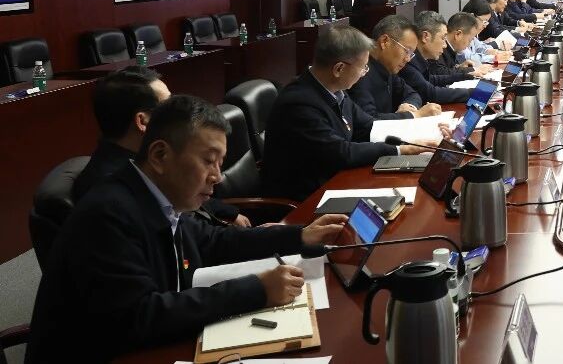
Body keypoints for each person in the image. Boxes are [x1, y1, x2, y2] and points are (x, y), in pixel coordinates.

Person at [27, 95, 349, 363]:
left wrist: (299, 235)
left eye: (220, 163)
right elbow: (141, 316)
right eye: (209, 160)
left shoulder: (158, 198)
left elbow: (214, 242)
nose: (218, 176)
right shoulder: (108, 214)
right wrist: (256, 289)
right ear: (160, 155)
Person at [263, 25, 435, 200]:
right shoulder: (299, 104)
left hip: (335, 181)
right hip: (306, 200)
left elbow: (368, 125)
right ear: (339, 69)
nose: (364, 74)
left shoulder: (336, 91)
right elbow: (341, 153)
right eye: (363, 68)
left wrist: (416, 138)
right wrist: (400, 149)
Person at [74, 66, 250, 227]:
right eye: (168, 107)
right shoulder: (113, 193)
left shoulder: (142, 161)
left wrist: (228, 213)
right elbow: (190, 235)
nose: (181, 113)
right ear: (143, 121)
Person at [349, 15, 443, 121]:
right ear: (384, 41)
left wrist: (409, 106)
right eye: (407, 51)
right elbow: (368, 121)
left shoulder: (387, 68)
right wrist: (415, 115)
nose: (408, 59)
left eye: (411, 54)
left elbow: (413, 94)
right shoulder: (360, 72)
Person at [401, 12, 474, 105]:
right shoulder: (408, 60)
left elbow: (431, 80)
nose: (445, 45)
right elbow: (431, 94)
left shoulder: (420, 58)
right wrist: (473, 92)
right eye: (443, 38)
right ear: (425, 37)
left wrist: (466, 75)